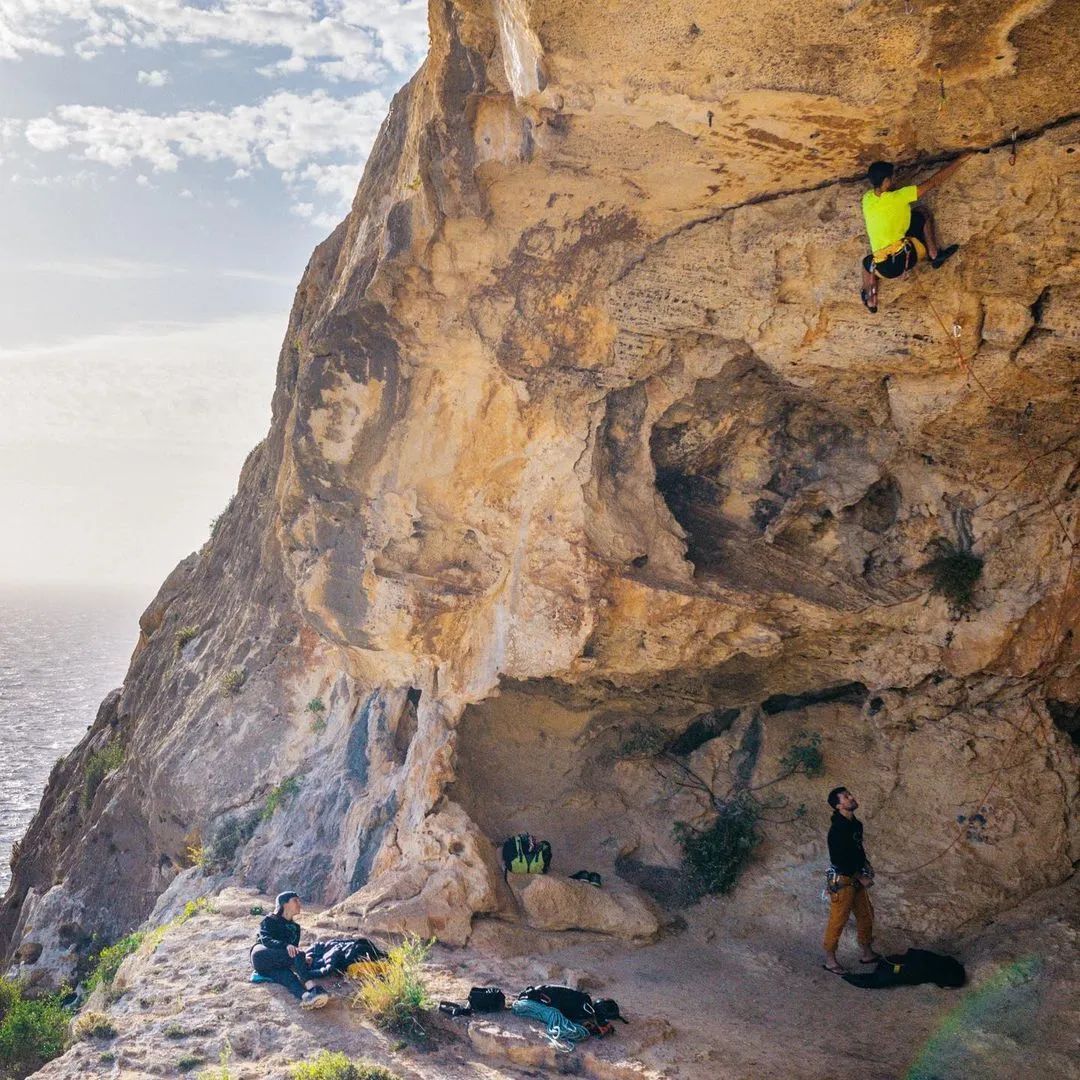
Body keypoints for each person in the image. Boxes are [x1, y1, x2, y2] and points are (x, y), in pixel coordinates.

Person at [859, 157, 965, 313]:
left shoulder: (867, 199)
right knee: (921, 214)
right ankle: (935, 255)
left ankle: (871, 300)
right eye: (892, 177)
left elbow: (887, 192)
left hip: (883, 268)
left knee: (866, 264)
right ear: (887, 180)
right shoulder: (900, 197)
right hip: (904, 261)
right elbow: (934, 182)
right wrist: (960, 160)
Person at [822, 787, 879, 975]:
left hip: (855, 877)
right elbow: (839, 861)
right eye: (846, 797)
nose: (851, 797)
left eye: (850, 794)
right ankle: (830, 960)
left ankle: (867, 952)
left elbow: (857, 848)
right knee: (838, 920)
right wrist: (860, 876)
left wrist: (866, 864)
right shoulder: (837, 830)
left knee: (866, 914)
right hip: (844, 881)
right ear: (839, 806)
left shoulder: (855, 825)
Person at [250, 891, 330, 1008]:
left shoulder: (295, 928)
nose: (299, 904)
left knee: (288, 976)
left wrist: (303, 960)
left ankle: (306, 997)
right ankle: (312, 988)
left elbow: (292, 952)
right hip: (261, 956)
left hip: (274, 964)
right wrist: (287, 946)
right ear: (284, 904)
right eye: (295, 900)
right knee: (298, 955)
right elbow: (265, 939)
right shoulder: (270, 919)